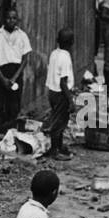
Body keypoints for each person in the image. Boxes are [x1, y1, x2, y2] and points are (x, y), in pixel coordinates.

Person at [0, 8, 32, 133]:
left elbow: (24, 60)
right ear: (4, 19)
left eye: (14, 18)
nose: (11, 20)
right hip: (0, 74)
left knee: (14, 106)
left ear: (17, 20)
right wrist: (2, 78)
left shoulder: (22, 36)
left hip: (15, 74)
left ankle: (10, 136)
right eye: (8, 18)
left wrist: (13, 78)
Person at [42, 27, 76, 160]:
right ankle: (54, 150)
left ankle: (60, 146)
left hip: (52, 92)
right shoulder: (65, 57)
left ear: (57, 40)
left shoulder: (54, 53)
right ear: (71, 42)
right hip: (61, 93)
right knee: (59, 123)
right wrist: (70, 100)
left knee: (61, 121)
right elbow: (63, 82)